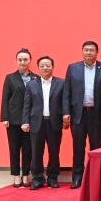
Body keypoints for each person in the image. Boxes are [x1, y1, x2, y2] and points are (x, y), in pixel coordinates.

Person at [62, 41, 101, 189]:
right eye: (86, 50)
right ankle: (77, 178)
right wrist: (66, 112)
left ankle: (95, 179)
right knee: (78, 147)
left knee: (96, 148)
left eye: (92, 50)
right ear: (82, 51)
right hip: (78, 114)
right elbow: (67, 92)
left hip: (96, 114)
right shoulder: (73, 68)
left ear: (97, 52)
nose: (89, 52)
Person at [21, 56, 66, 190]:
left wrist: (65, 118)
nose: (45, 68)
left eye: (48, 65)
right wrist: (25, 121)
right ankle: (37, 179)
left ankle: (52, 178)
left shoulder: (61, 83)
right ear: (38, 68)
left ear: (53, 67)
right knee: (36, 152)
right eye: (42, 66)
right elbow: (27, 105)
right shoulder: (31, 84)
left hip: (54, 122)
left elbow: (64, 103)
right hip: (36, 122)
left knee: (54, 152)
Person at [0, 48, 38, 188]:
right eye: (20, 60)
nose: (23, 62)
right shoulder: (10, 78)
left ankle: (26, 174)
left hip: (31, 119)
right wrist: (4, 117)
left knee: (28, 149)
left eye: (25, 59)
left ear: (30, 61)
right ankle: (16, 175)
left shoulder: (36, 78)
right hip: (14, 118)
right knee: (14, 148)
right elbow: (5, 98)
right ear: (16, 61)